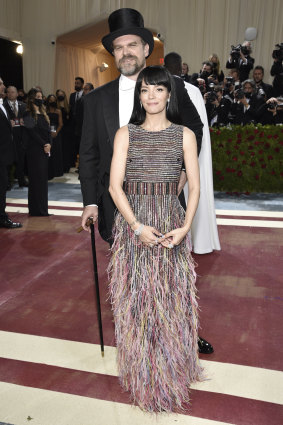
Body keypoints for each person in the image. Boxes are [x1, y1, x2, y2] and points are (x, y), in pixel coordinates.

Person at [79, 7, 213, 355]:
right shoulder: (95, 101)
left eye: (133, 44)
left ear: (145, 48)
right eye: (119, 46)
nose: (126, 52)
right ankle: (140, 338)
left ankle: (183, 332)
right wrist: (91, 202)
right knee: (134, 278)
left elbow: (194, 131)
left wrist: (182, 176)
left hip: (167, 200)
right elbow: (90, 156)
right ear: (113, 52)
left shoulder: (174, 88)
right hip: (119, 207)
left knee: (175, 277)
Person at [108, 65, 203, 412]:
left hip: (170, 226)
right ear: (140, 95)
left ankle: (172, 370)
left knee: (171, 305)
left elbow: (194, 188)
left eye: (159, 90)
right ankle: (144, 376)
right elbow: (114, 187)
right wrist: (135, 227)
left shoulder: (184, 135)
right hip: (134, 229)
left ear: (169, 94)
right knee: (137, 304)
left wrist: (184, 228)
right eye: (145, 90)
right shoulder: (125, 134)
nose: (151, 96)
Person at [164, 52, 220, 254]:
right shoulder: (194, 91)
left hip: (171, 158)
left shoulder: (161, 89)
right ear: (180, 68)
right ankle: (200, 240)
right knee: (196, 193)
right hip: (195, 155)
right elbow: (199, 129)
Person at [23, 88, 51, 216]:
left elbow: (48, 131)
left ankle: (43, 209)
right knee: (36, 180)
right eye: (37, 97)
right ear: (32, 98)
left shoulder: (44, 113)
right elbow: (32, 132)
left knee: (43, 180)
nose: (40, 99)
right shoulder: (27, 113)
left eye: (41, 96)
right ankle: (36, 210)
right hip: (34, 151)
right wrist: (44, 144)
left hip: (44, 150)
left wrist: (49, 144)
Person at [0, 77, 22, 228]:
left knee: (3, 186)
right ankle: (2, 218)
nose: (4, 86)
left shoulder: (2, 105)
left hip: (5, 155)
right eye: (0, 83)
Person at [4, 85, 28, 187]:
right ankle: (8, 182)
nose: (10, 94)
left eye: (12, 92)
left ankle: (21, 180)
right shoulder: (3, 106)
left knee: (21, 160)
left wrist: (25, 122)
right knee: (9, 161)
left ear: (17, 94)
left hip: (21, 137)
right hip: (9, 137)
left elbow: (29, 120)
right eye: (8, 92)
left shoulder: (23, 105)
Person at [46, 94, 63, 179]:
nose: (52, 102)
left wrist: (56, 132)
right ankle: (50, 171)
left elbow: (61, 124)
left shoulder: (58, 111)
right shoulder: (45, 110)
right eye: (50, 100)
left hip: (56, 133)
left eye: (53, 100)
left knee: (57, 151)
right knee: (50, 152)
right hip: (47, 133)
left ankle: (58, 171)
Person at [56, 89, 71, 173]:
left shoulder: (68, 107)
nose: (60, 96)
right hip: (59, 131)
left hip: (67, 132)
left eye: (62, 94)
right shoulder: (56, 107)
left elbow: (71, 121)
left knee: (66, 150)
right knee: (59, 149)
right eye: (59, 94)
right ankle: (60, 167)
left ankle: (66, 167)